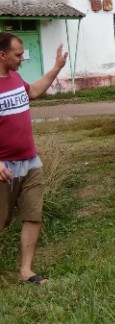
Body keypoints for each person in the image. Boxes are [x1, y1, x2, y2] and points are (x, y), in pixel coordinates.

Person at [0, 32, 68, 284]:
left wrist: (56, 68)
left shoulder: (16, 77)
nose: (22, 58)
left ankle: (26, 270)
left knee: (32, 214)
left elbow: (35, 91)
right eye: (18, 54)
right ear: (2, 55)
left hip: (30, 161)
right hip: (4, 166)